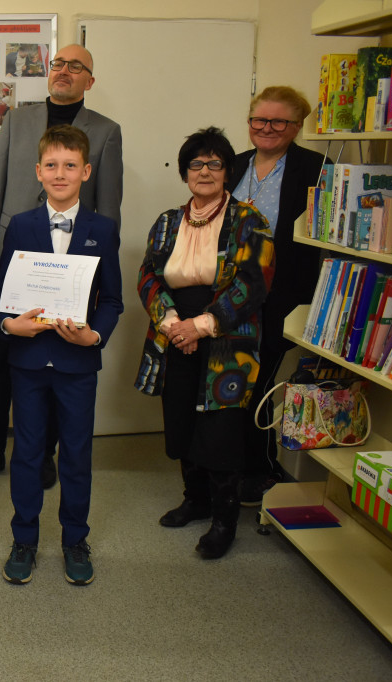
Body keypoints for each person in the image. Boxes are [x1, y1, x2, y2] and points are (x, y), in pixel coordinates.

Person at [0, 43, 123, 489]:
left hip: (71, 269)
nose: (63, 71)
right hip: (16, 254)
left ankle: (42, 455)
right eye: (58, 64)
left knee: (56, 358)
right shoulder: (17, 118)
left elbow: (108, 207)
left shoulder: (106, 131)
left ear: (90, 79)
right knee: (2, 362)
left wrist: (97, 273)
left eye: (75, 66)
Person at [135, 127, 275, 560]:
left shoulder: (250, 220)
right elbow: (148, 276)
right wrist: (175, 323)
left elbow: (255, 283)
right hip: (174, 332)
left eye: (215, 163)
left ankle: (223, 520)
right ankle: (194, 500)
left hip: (227, 338)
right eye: (196, 163)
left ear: (229, 170)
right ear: (184, 172)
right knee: (180, 420)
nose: (205, 171)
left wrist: (202, 325)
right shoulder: (167, 221)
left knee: (220, 429)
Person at [0, 125, 123, 586]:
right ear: (38, 171)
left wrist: (97, 338)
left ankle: (74, 538)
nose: (60, 173)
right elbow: (3, 298)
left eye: (70, 165)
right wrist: (10, 325)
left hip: (77, 364)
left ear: (86, 171)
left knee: (76, 454)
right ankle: (24, 537)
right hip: (29, 363)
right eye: (51, 165)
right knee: (27, 453)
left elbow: (112, 300)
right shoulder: (22, 226)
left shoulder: (102, 230)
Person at [227, 86, 328, 506]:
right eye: (259, 120)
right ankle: (229, 465)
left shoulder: (317, 168)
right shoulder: (232, 165)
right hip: (231, 295)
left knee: (260, 380)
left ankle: (259, 469)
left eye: (278, 122)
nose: (266, 129)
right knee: (231, 379)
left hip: (282, 294)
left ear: (297, 126)